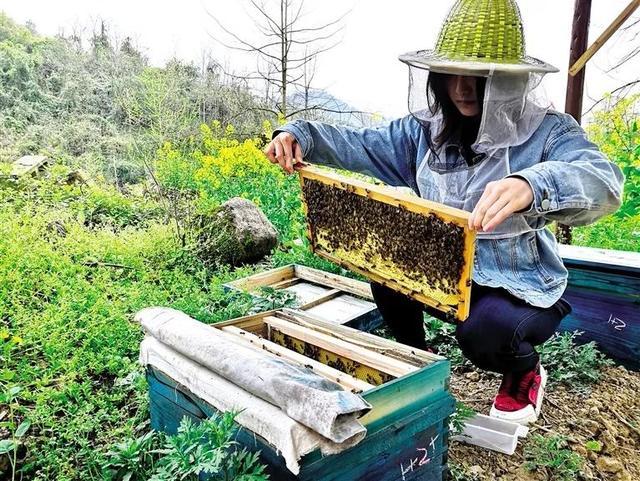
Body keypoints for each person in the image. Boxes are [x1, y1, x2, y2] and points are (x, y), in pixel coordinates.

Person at [263, 0, 624, 425]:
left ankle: (523, 370)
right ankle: (418, 360)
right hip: (445, 275)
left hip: (516, 285)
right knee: (383, 266)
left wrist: (533, 184)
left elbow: (603, 181)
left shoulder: (548, 131)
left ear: (510, 82)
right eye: (452, 74)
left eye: (480, 77)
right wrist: (298, 133)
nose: (462, 88)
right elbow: (358, 142)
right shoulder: (423, 130)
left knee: (483, 334)